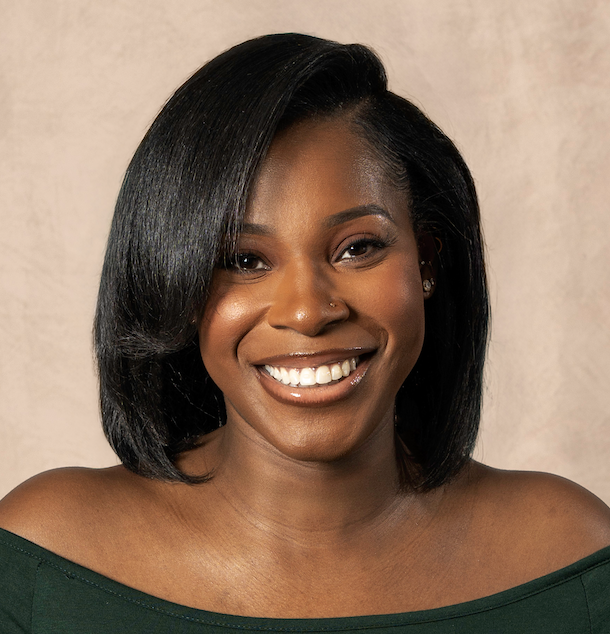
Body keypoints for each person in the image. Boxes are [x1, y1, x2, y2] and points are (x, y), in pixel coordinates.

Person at [1, 33, 609, 633]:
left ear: (425, 262)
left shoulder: (572, 561)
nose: (308, 311)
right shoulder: (42, 563)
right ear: (177, 286)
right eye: (244, 260)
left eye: (357, 248)